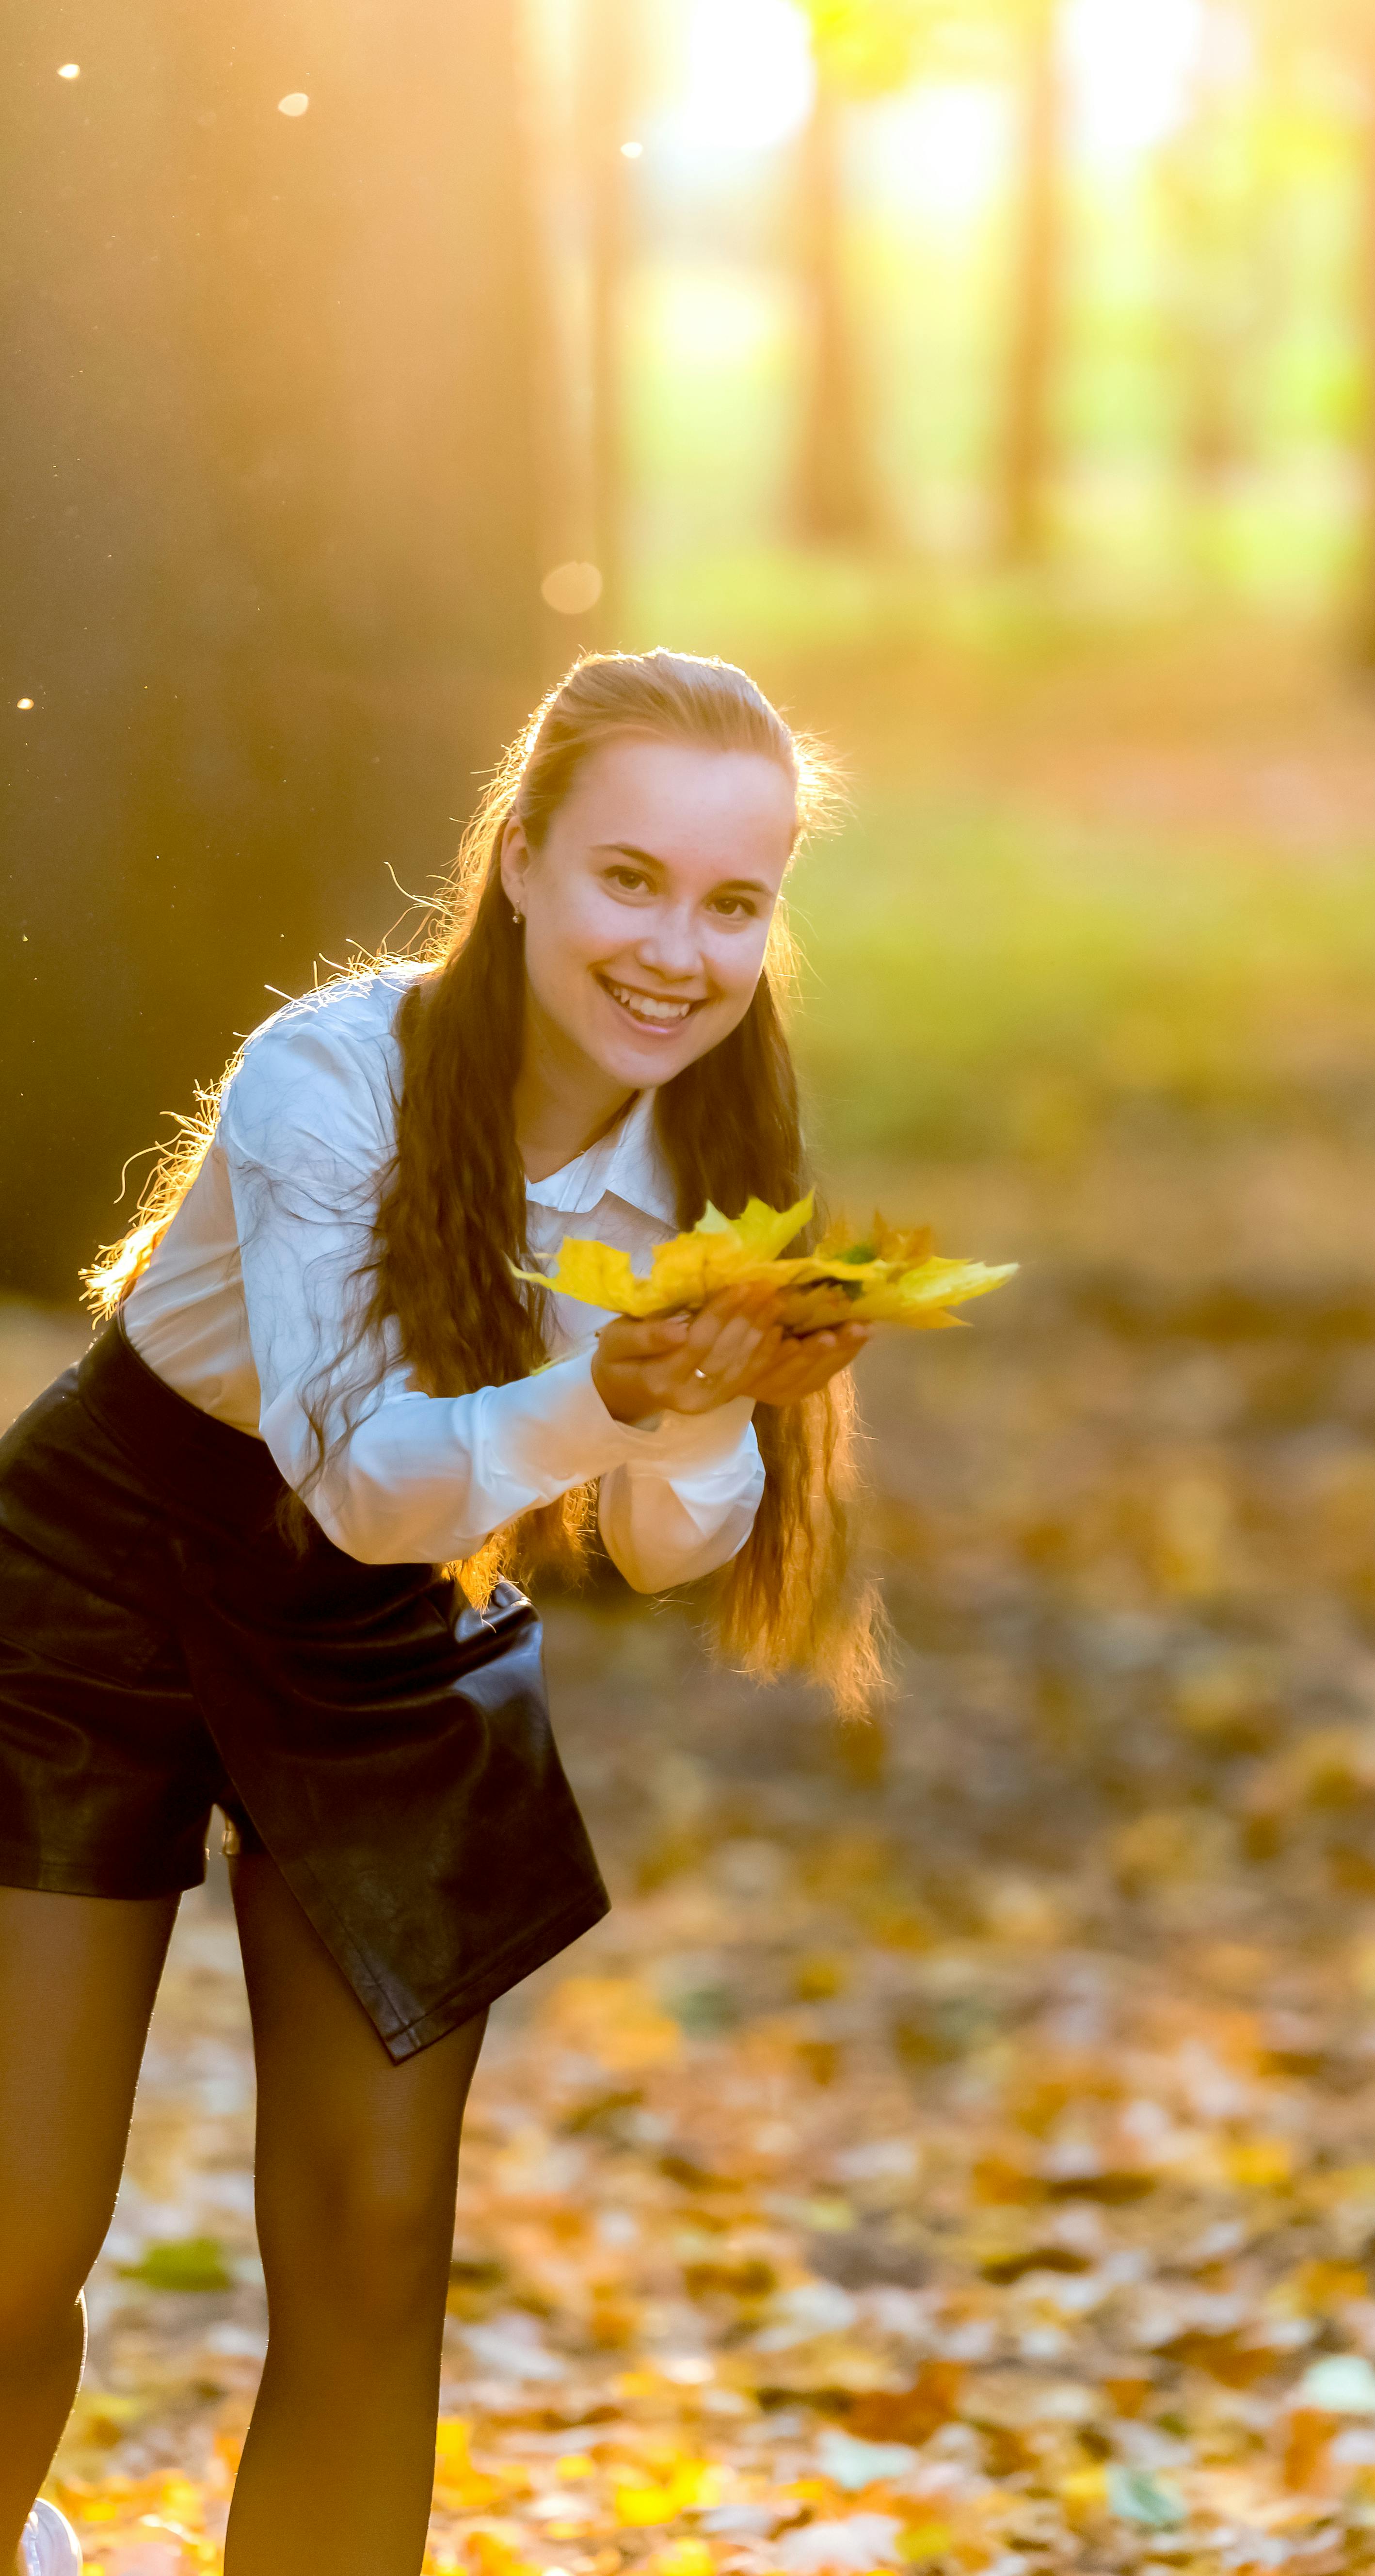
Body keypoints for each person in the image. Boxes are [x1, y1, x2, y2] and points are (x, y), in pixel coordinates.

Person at [0, 651, 878, 2576]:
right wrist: (605, 1393)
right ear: (522, 862)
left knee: (376, 2237)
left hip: (395, 1626)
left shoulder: (700, 1172)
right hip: (101, 1567)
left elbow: (667, 1545)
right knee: (14, 2228)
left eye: (731, 903)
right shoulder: (329, 1073)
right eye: (628, 879)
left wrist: (696, 1402)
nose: (676, 952)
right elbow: (355, 1476)